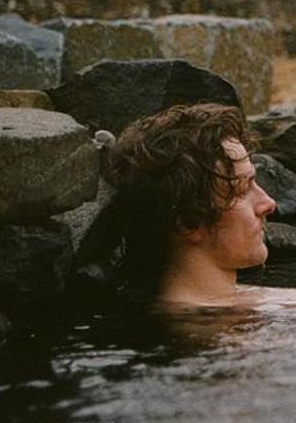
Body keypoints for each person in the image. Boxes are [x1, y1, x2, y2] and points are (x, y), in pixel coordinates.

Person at [100, 102, 277, 308]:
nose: (269, 203)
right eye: (241, 190)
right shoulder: (217, 329)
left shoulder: (231, 303)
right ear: (189, 223)